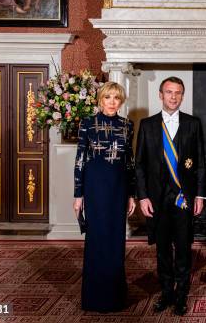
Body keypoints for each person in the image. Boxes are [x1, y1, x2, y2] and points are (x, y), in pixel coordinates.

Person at [136, 77, 206, 316]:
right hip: (156, 200)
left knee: (184, 249)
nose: (173, 97)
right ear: (160, 95)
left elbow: (200, 164)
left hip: (183, 198)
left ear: (182, 96)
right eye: (169, 92)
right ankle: (166, 293)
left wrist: (200, 195)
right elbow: (140, 166)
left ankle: (181, 296)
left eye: (178, 93)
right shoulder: (147, 125)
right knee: (162, 250)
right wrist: (142, 197)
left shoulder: (193, 124)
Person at [73, 81, 137, 312]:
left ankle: (115, 297)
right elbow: (80, 159)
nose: (112, 102)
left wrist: (132, 193)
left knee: (115, 240)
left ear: (121, 101)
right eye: (108, 98)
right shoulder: (88, 123)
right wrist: (78, 194)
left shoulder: (127, 125)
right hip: (95, 186)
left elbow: (129, 162)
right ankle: (94, 298)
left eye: (116, 98)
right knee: (97, 239)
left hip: (118, 187)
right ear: (100, 100)